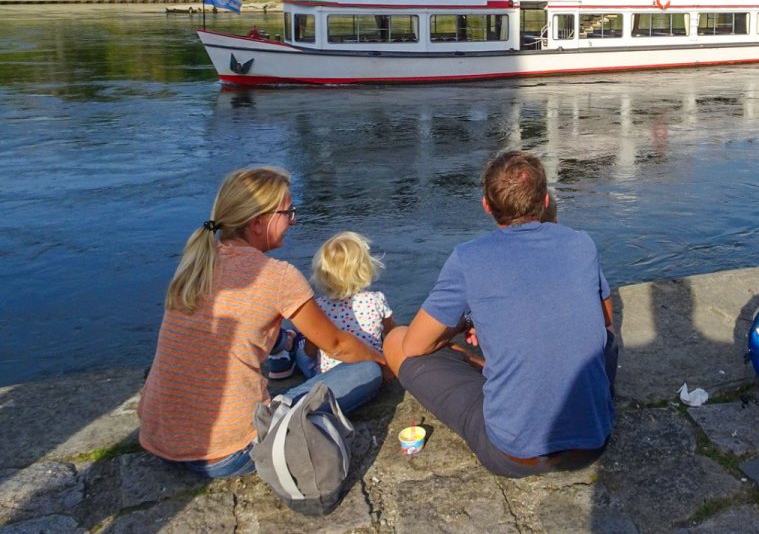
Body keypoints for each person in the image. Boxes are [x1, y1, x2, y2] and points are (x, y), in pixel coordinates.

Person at [137, 168, 387, 478]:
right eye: (287, 212)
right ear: (258, 222)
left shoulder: (196, 261)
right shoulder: (277, 275)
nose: (293, 221)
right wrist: (383, 362)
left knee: (289, 338)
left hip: (161, 441)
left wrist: (284, 340)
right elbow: (337, 344)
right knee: (367, 372)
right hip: (229, 453)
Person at [384, 150, 616, 477]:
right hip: (591, 443)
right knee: (602, 340)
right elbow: (606, 323)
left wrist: (467, 320)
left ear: (486, 207)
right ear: (546, 199)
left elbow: (414, 347)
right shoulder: (582, 243)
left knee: (396, 340)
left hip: (513, 453)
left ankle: (486, 369)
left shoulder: (469, 258)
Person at [294, 231, 397, 379]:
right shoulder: (376, 300)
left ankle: (283, 355)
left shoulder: (319, 307)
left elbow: (310, 351)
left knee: (300, 352)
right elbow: (391, 334)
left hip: (330, 378)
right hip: (373, 373)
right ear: (365, 268)